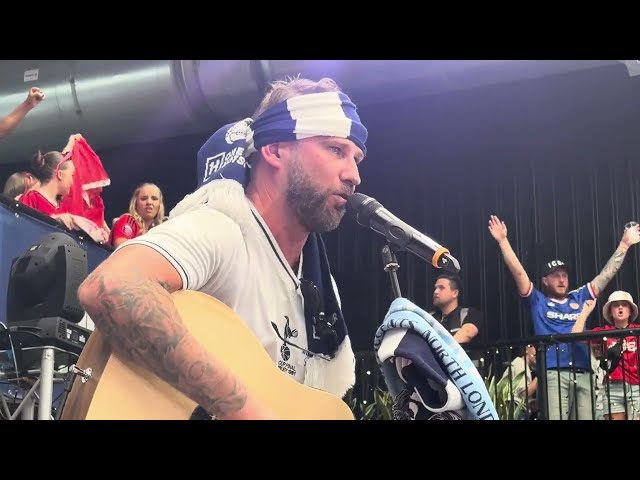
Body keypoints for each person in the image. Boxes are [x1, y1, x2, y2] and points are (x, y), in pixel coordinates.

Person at [77, 76, 368, 420]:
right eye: (335, 150)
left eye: (357, 158)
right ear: (274, 149)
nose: (353, 175)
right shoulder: (222, 229)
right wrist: (243, 409)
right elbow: (110, 286)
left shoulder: (321, 288)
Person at [488, 215, 639, 420]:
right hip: (553, 371)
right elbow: (520, 274)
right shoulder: (537, 300)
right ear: (545, 280)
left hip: (584, 371)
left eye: (564, 275)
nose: (561, 279)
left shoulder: (580, 296)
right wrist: (503, 241)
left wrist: (624, 244)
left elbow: (606, 275)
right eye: (555, 275)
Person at [573, 293, 640, 420]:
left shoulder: (637, 331)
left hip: (636, 386)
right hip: (612, 387)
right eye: (615, 305)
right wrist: (585, 311)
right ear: (610, 311)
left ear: (630, 310)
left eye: (624, 305)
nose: (620, 308)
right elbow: (575, 335)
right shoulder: (604, 331)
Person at [429, 274, 484, 368]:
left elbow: (468, 333)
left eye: (441, 288)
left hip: (465, 371)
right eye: (435, 288)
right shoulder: (430, 317)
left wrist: (441, 351)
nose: (436, 292)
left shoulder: (468, 313)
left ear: (455, 293)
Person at [19, 149, 79, 231]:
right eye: (72, 175)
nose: (73, 181)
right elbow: (21, 226)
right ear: (60, 174)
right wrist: (53, 220)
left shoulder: (63, 206)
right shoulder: (32, 199)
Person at [109, 183, 165, 247]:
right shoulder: (128, 220)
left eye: (154, 199)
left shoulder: (157, 231)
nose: (149, 202)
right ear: (136, 203)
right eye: (144, 198)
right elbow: (122, 247)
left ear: (160, 205)